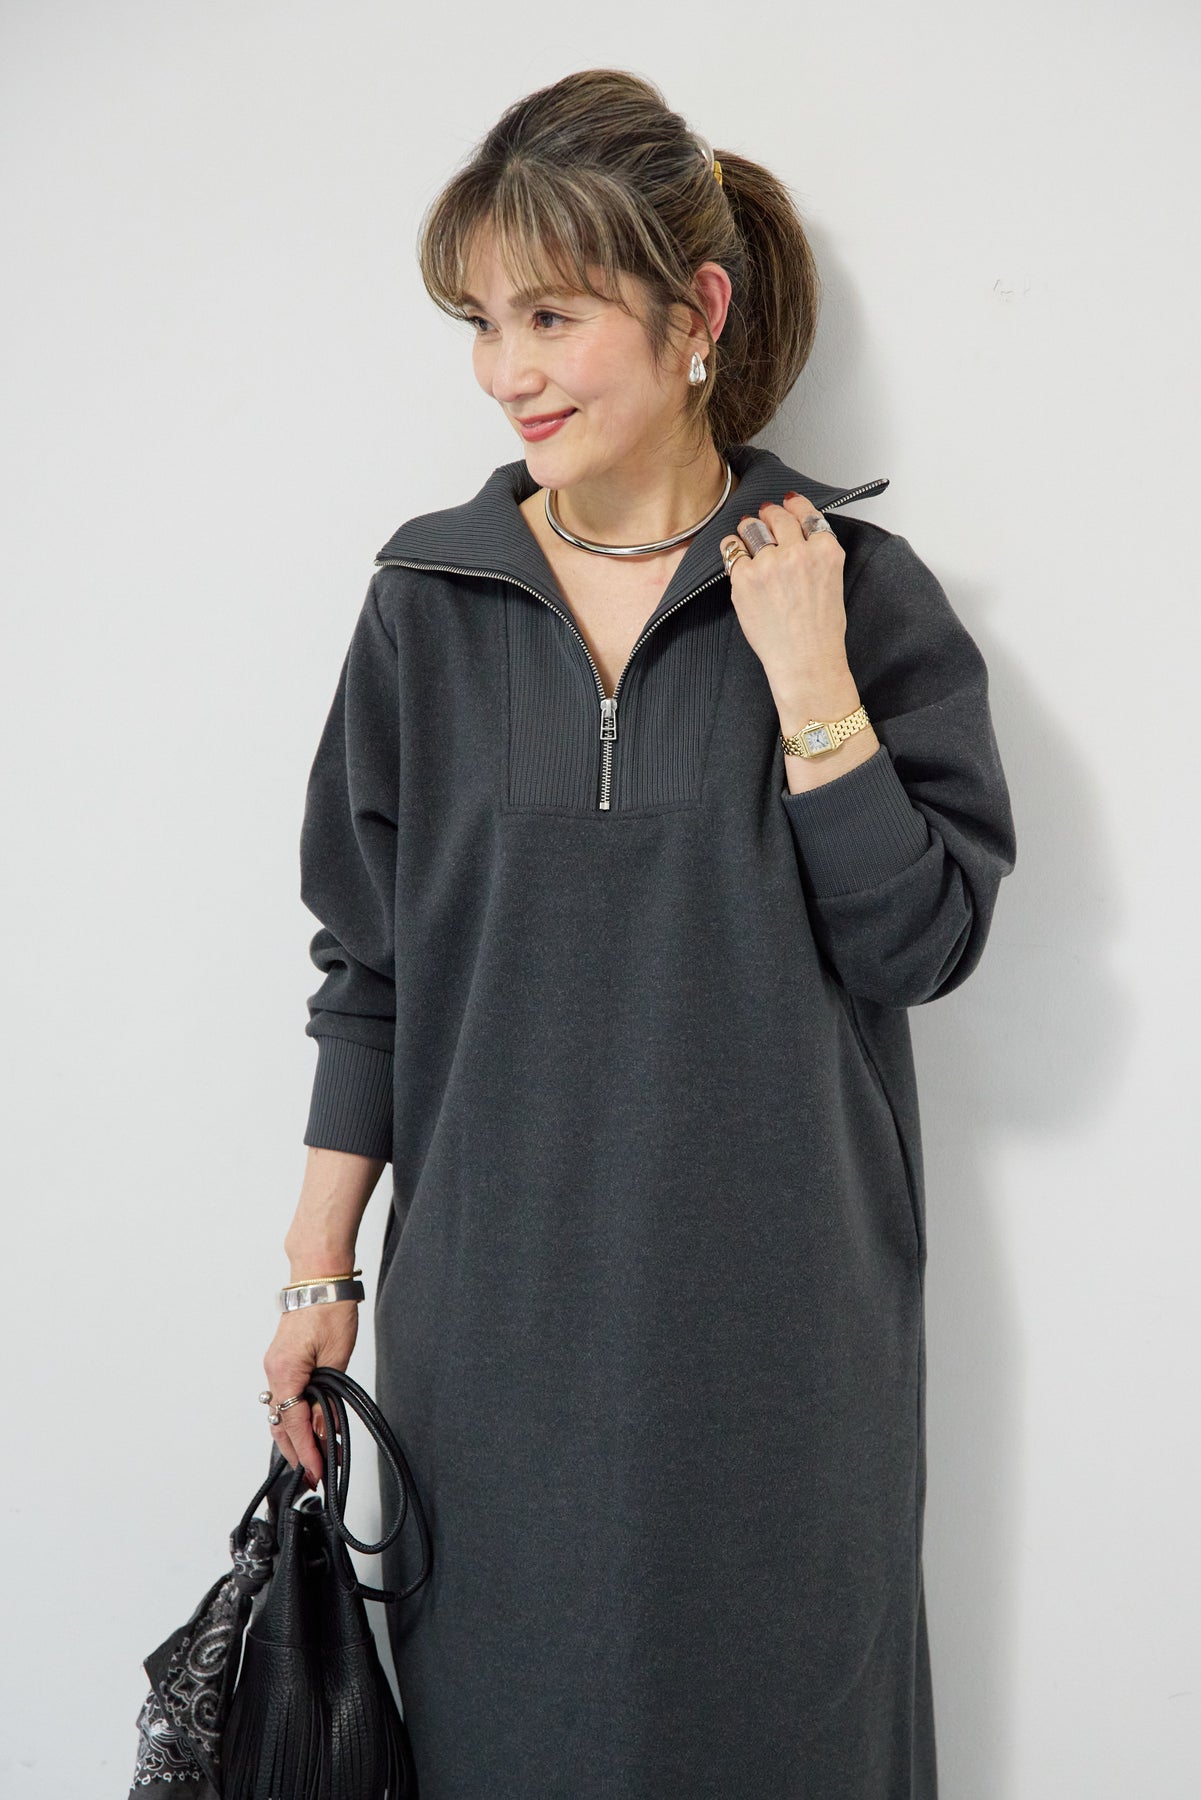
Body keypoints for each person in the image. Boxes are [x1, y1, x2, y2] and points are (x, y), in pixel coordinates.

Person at [261, 66, 1016, 1800]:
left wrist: (809, 677)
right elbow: (369, 968)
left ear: (697, 316)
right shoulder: (428, 605)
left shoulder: (855, 590)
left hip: (779, 1338)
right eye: (481, 322)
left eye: (551, 316)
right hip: (492, 1339)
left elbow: (916, 946)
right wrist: (317, 1272)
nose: (504, 370)